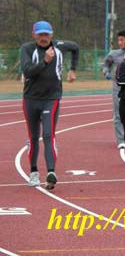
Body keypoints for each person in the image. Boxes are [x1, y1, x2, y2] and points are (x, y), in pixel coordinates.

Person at [20, 20, 79, 190]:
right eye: (40, 35)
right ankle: (33, 171)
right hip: (31, 98)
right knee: (33, 136)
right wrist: (45, 61)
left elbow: (75, 47)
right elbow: (27, 71)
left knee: (48, 134)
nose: (43, 38)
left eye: (46, 34)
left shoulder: (60, 46)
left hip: (52, 98)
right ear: (34, 35)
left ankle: (51, 173)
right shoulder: (27, 49)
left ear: (51, 34)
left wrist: (73, 69)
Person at [103, 30, 125, 149]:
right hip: (118, 88)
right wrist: (106, 72)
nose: (119, 42)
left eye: (122, 40)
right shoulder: (114, 54)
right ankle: (121, 139)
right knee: (118, 114)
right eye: (118, 40)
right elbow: (106, 64)